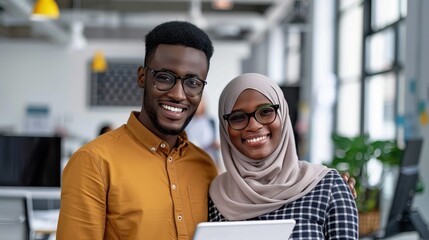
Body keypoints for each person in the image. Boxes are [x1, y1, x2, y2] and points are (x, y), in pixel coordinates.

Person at [56, 21, 218, 239]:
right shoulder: (93, 162)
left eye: (193, 82)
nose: (179, 94)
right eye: (165, 77)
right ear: (142, 77)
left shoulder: (205, 166)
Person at [208, 73, 359, 239]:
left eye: (265, 111)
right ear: (225, 128)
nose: (253, 125)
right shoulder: (216, 196)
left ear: (283, 115)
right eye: (237, 117)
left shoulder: (328, 186)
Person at [186, 97, 222, 170]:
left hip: (213, 162)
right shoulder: (187, 124)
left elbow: (219, 140)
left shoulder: (211, 121)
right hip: (195, 163)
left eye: (200, 102)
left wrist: (215, 144)